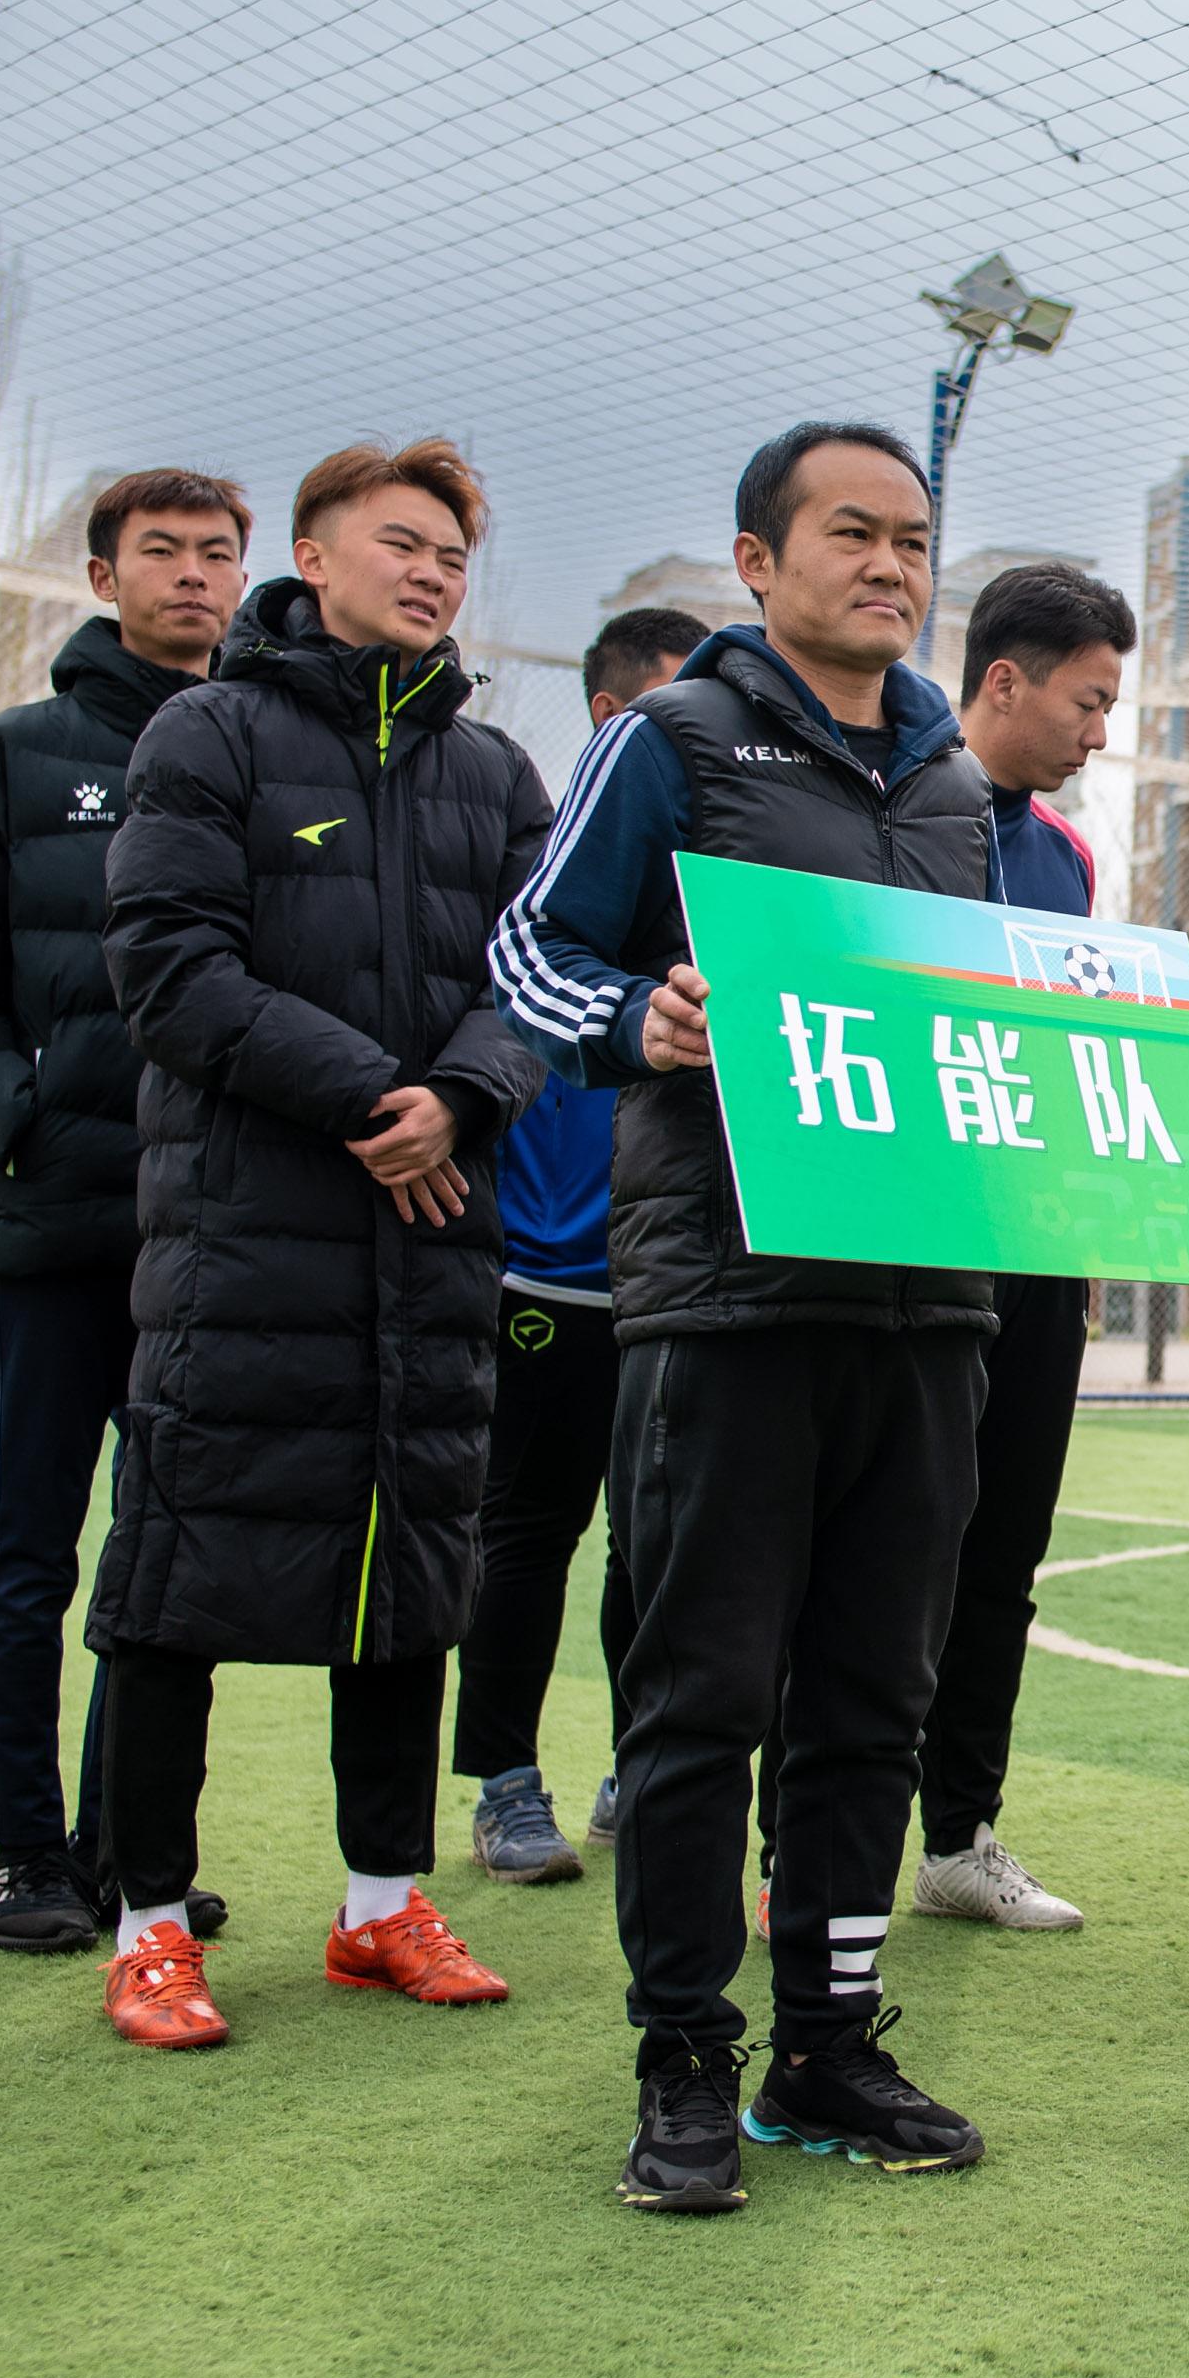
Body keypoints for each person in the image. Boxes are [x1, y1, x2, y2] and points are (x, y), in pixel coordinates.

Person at [497, 421, 1000, 2207]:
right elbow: (530, 953)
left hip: (929, 1306)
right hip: (727, 1294)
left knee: (876, 1698)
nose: (888, 562)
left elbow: (988, 1027)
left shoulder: (956, 787)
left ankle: (829, 2041)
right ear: (757, 560)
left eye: (913, 536)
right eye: (850, 532)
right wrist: (640, 1017)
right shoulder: (672, 740)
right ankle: (683, 2057)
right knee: (702, 1700)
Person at [85, 439, 553, 2048]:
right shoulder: (205, 731)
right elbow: (168, 968)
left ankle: (380, 1907)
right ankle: (149, 1926)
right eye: (404, 544)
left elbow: (538, 978)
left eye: (455, 557)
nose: (433, 575)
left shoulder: (495, 773)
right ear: (316, 553)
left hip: (429, 1249)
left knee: (413, 1574)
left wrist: (469, 1095)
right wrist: (382, 1097)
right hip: (243, 1240)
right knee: (174, 1590)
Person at [0, 468, 251, 1955]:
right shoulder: (6, 763)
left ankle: (129, 1851)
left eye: (214, 553)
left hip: (211, 1239)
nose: (190, 576)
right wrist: (24, 1126)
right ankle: (26, 1851)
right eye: (158, 552)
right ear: (104, 577)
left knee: (167, 1567)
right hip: (57, 1230)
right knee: (30, 1552)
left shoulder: (258, 758)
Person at [448, 606, 704, 1886]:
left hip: (680, 1276)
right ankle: (501, 1780)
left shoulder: (722, 883)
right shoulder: (538, 897)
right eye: (672, 721)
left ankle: (632, 1769)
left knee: (655, 1543)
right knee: (525, 1531)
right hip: (548, 1269)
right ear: (614, 728)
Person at [906, 562, 1133, 1933]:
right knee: (872, 1550)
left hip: (1034, 1244)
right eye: (1089, 702)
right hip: (901, 1241)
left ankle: (959, 1837)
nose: (1102, 731)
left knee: (1006, 1546)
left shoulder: (1065, 853)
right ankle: (796, 1844)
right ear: (1004, 682)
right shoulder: (889, 810)